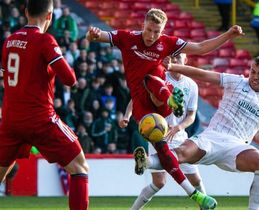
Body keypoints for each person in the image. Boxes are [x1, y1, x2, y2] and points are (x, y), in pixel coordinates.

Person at [86, 8, 244, 209]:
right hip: (145, 109)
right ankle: (194, 195)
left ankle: (171, 100)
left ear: (163, 30)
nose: (152, 36)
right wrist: (92, 34)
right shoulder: (127, 38)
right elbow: (100, 35)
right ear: (142, 24)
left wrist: (229, 35)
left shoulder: (168, 43)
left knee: (152, 79)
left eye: (157, 32)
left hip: (161, 97)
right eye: (149, 30)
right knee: (163, 156)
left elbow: (202, 47)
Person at [136, 55, 259, 210]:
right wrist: (173, 67)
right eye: (253, 71)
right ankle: (146, 162)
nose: (255, 77)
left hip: (237, 146)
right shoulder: (236, 81)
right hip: (211, 137)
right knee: (181, 153)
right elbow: (203, 74)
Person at [0, 0, 89, 209]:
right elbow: (69, 79)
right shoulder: (45, 41)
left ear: (25, 12)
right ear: (50, 16)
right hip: (40, 120)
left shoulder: (9, 41)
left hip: (11, 121)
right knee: (79, 167)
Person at [127, 53, 206, 210]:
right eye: (172, 57)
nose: (175, 60)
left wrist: (179, 127)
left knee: (195, 180)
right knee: (159, 182)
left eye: (178, 57)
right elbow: (136, 98)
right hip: (158, 135)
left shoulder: (191, 85)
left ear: (186, 60)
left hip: (179, 136)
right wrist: (126, 115)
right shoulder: (161, 77)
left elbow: (191, 116)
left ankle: (146, 162)